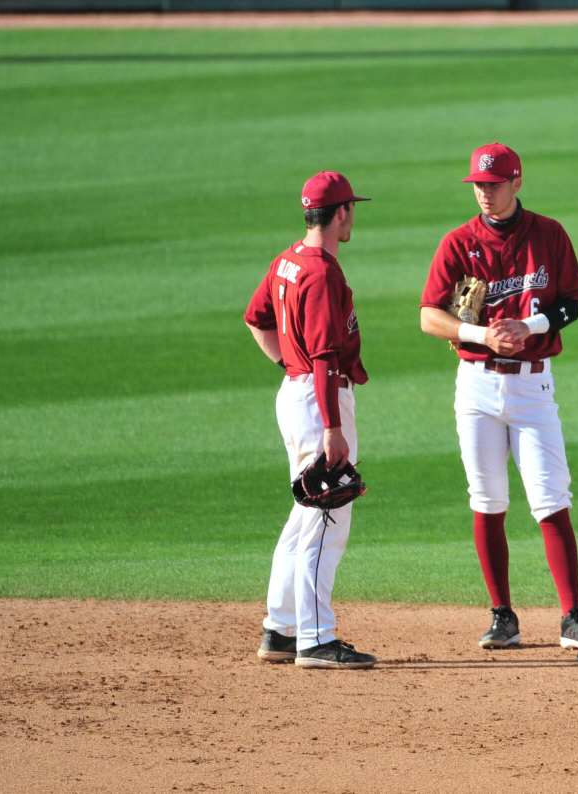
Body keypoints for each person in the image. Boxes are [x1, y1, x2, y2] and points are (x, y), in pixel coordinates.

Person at [420, 143, 578, 652]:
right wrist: (480, 335)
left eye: (494, 184)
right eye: (478, 185)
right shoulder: (458, 243)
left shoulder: (549, 234)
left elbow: (571, 304)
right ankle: (503, 616)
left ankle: (573, 618)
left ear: (516, 183)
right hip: (476, 385)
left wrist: (530, 325)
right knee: (487, 500)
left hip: (532, 385)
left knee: (552, 500)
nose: (484, 192)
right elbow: (429, 316)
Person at [243, 171, 377, 669]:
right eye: (351, 209)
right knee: (327, 518)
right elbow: (323, 356)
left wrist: (290, 367)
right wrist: (331, 427)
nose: (352, 217)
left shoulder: (288, 260)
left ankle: (280, 629)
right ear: (340, 212)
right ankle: (316, 639)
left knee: (305, 518)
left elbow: (256, 319)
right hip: (319, 401)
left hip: (297, 394)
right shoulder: (321, 273)